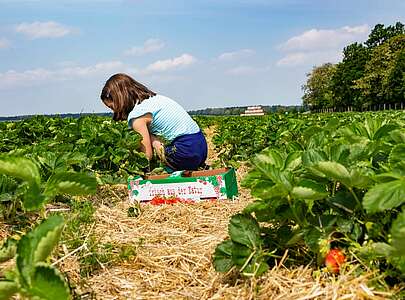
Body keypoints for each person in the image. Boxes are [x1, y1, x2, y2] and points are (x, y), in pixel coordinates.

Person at [100, 73, 207, 172]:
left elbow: (147, 156)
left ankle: (171, 169)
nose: (113, 111)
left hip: (186, 153)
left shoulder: (137, 116)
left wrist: (131, 163)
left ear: (119, 100)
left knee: (147, 137)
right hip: (201, 148)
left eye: (111, 107)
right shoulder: (156, 99)